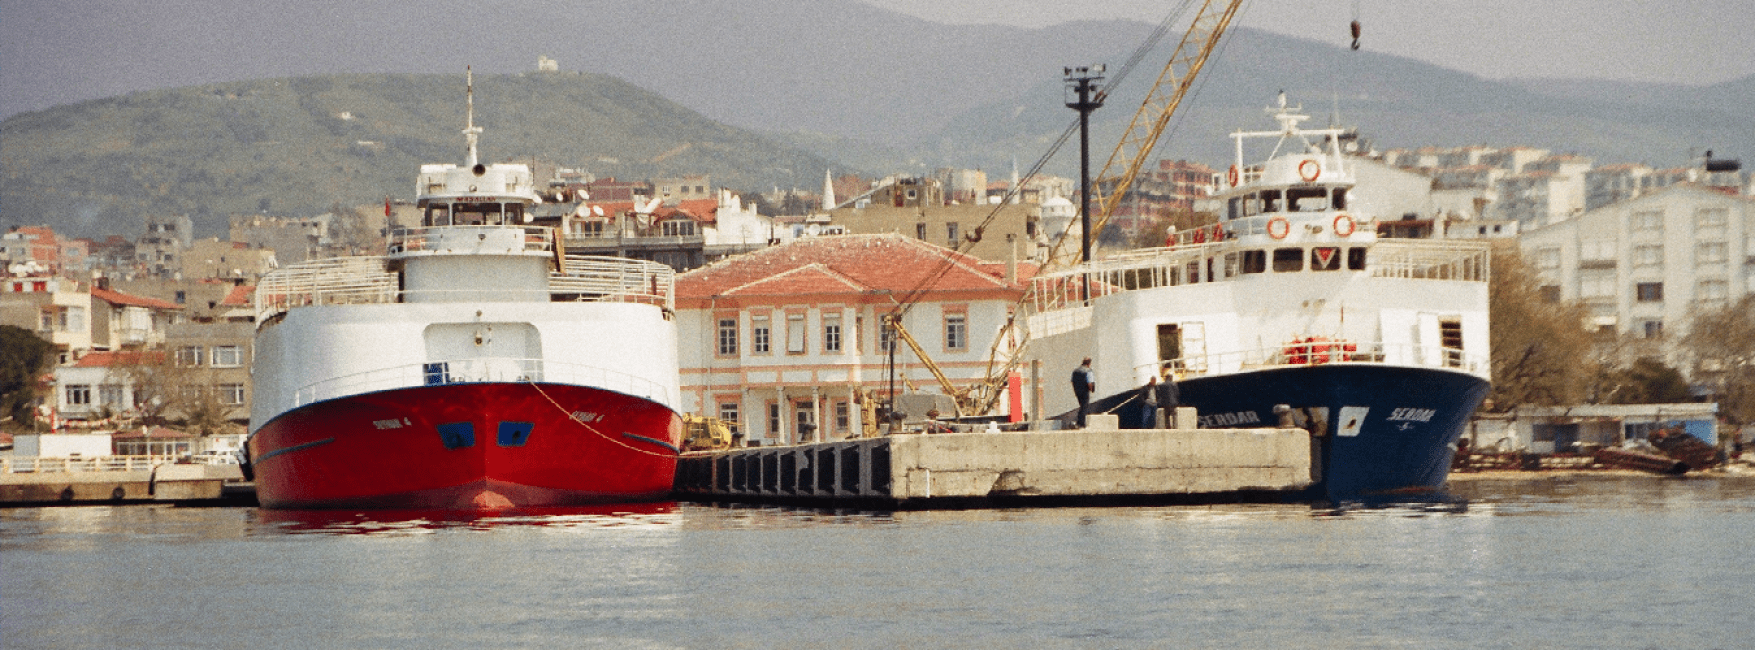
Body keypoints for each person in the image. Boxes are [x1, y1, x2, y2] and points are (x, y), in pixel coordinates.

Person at [1071, 358, 1094, 427]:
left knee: (1082, 406)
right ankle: (1081, 423)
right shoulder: (1088, 371)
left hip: (1077, 391)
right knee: (1084, 407)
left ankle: (1080, 422)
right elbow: (1089, 383)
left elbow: (1072, 381)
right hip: (1085, 391)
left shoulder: (1075, 371)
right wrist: (1091, 389)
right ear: (1089, 364)